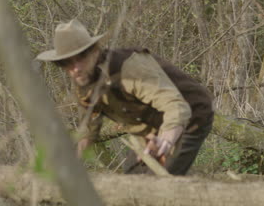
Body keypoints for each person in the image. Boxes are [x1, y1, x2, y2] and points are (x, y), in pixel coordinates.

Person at [36, 19, 214, 175]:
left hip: (189, 116)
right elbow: (89, 128)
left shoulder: (129, 69)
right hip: (149, 126)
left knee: (156, 185)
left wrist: (164, 142)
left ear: (95, 52)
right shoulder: (83, 81)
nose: (75, 68)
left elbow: (176, 106)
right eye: (66, 62)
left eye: (81, 57)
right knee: (133, 180)